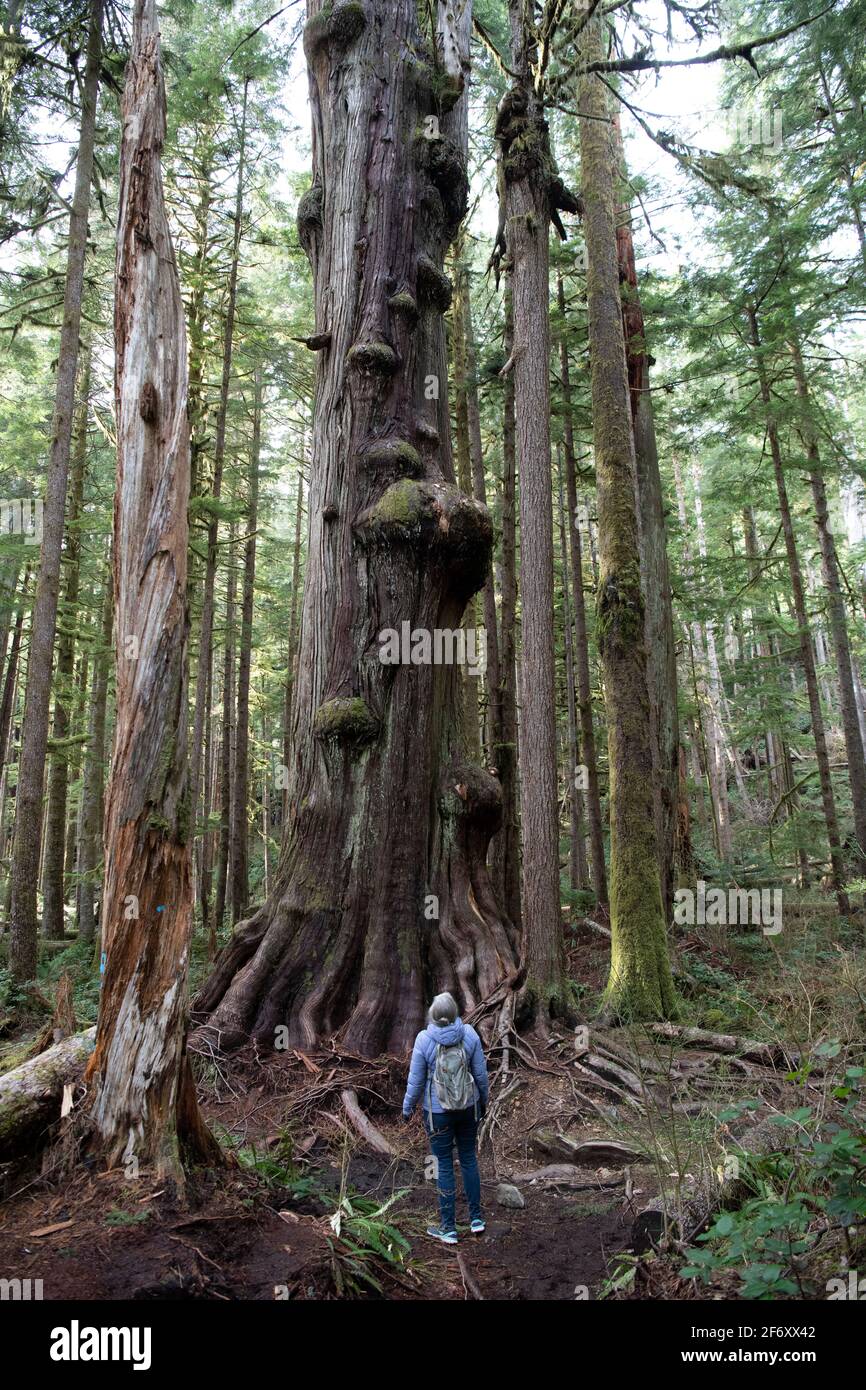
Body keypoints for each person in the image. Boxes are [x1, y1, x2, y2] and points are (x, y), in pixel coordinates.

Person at [402, 991, 489, 1245]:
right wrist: (484, 1100)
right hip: (468, 1108)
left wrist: (407, 1108)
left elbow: (416, 1081)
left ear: (433, 1014)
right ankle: (476, 1219)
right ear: (454, 1012)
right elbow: (481, 1075)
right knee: (469, 1159)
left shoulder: (424, 1039)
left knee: (443, 1163)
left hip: (437, 1114)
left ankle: (448, 1228)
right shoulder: (470, 1034)